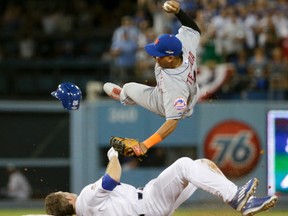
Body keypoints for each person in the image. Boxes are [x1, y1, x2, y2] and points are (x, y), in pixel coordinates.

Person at [45, 147, 278, 216]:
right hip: (149, 202)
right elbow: (111, 178)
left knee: (203, 166)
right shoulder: (84, 199)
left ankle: (238, 197)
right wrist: (113, 155)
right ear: (67, 198)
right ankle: (237, 199)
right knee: (186, 164)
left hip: (152, 209)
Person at [103, 0, 201, 156]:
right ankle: (126, 97)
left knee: (130, 89)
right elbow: (194, 29)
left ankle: (127, 99)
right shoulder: (182, 45)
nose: (154, 56)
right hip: (174, 89)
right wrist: (179, 12)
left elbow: (172, 122)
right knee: (127, 87)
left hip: (166, 101)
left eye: (158, 55)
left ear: (170, 58)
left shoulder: (175, 87)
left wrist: (145, 145)